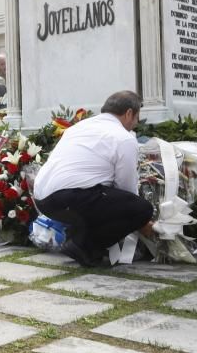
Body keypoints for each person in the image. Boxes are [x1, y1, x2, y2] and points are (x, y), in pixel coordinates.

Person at [33, 90, 155, 267]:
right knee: (141, 209)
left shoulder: (78, 127)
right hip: (70, 198)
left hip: (43, 199)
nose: (136, 123)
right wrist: (142, 221)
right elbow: (126, 188)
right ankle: (84, 246)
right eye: (137, 117)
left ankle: (76, 237)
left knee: (101, 196)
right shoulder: (123, 138)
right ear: (129, 113)